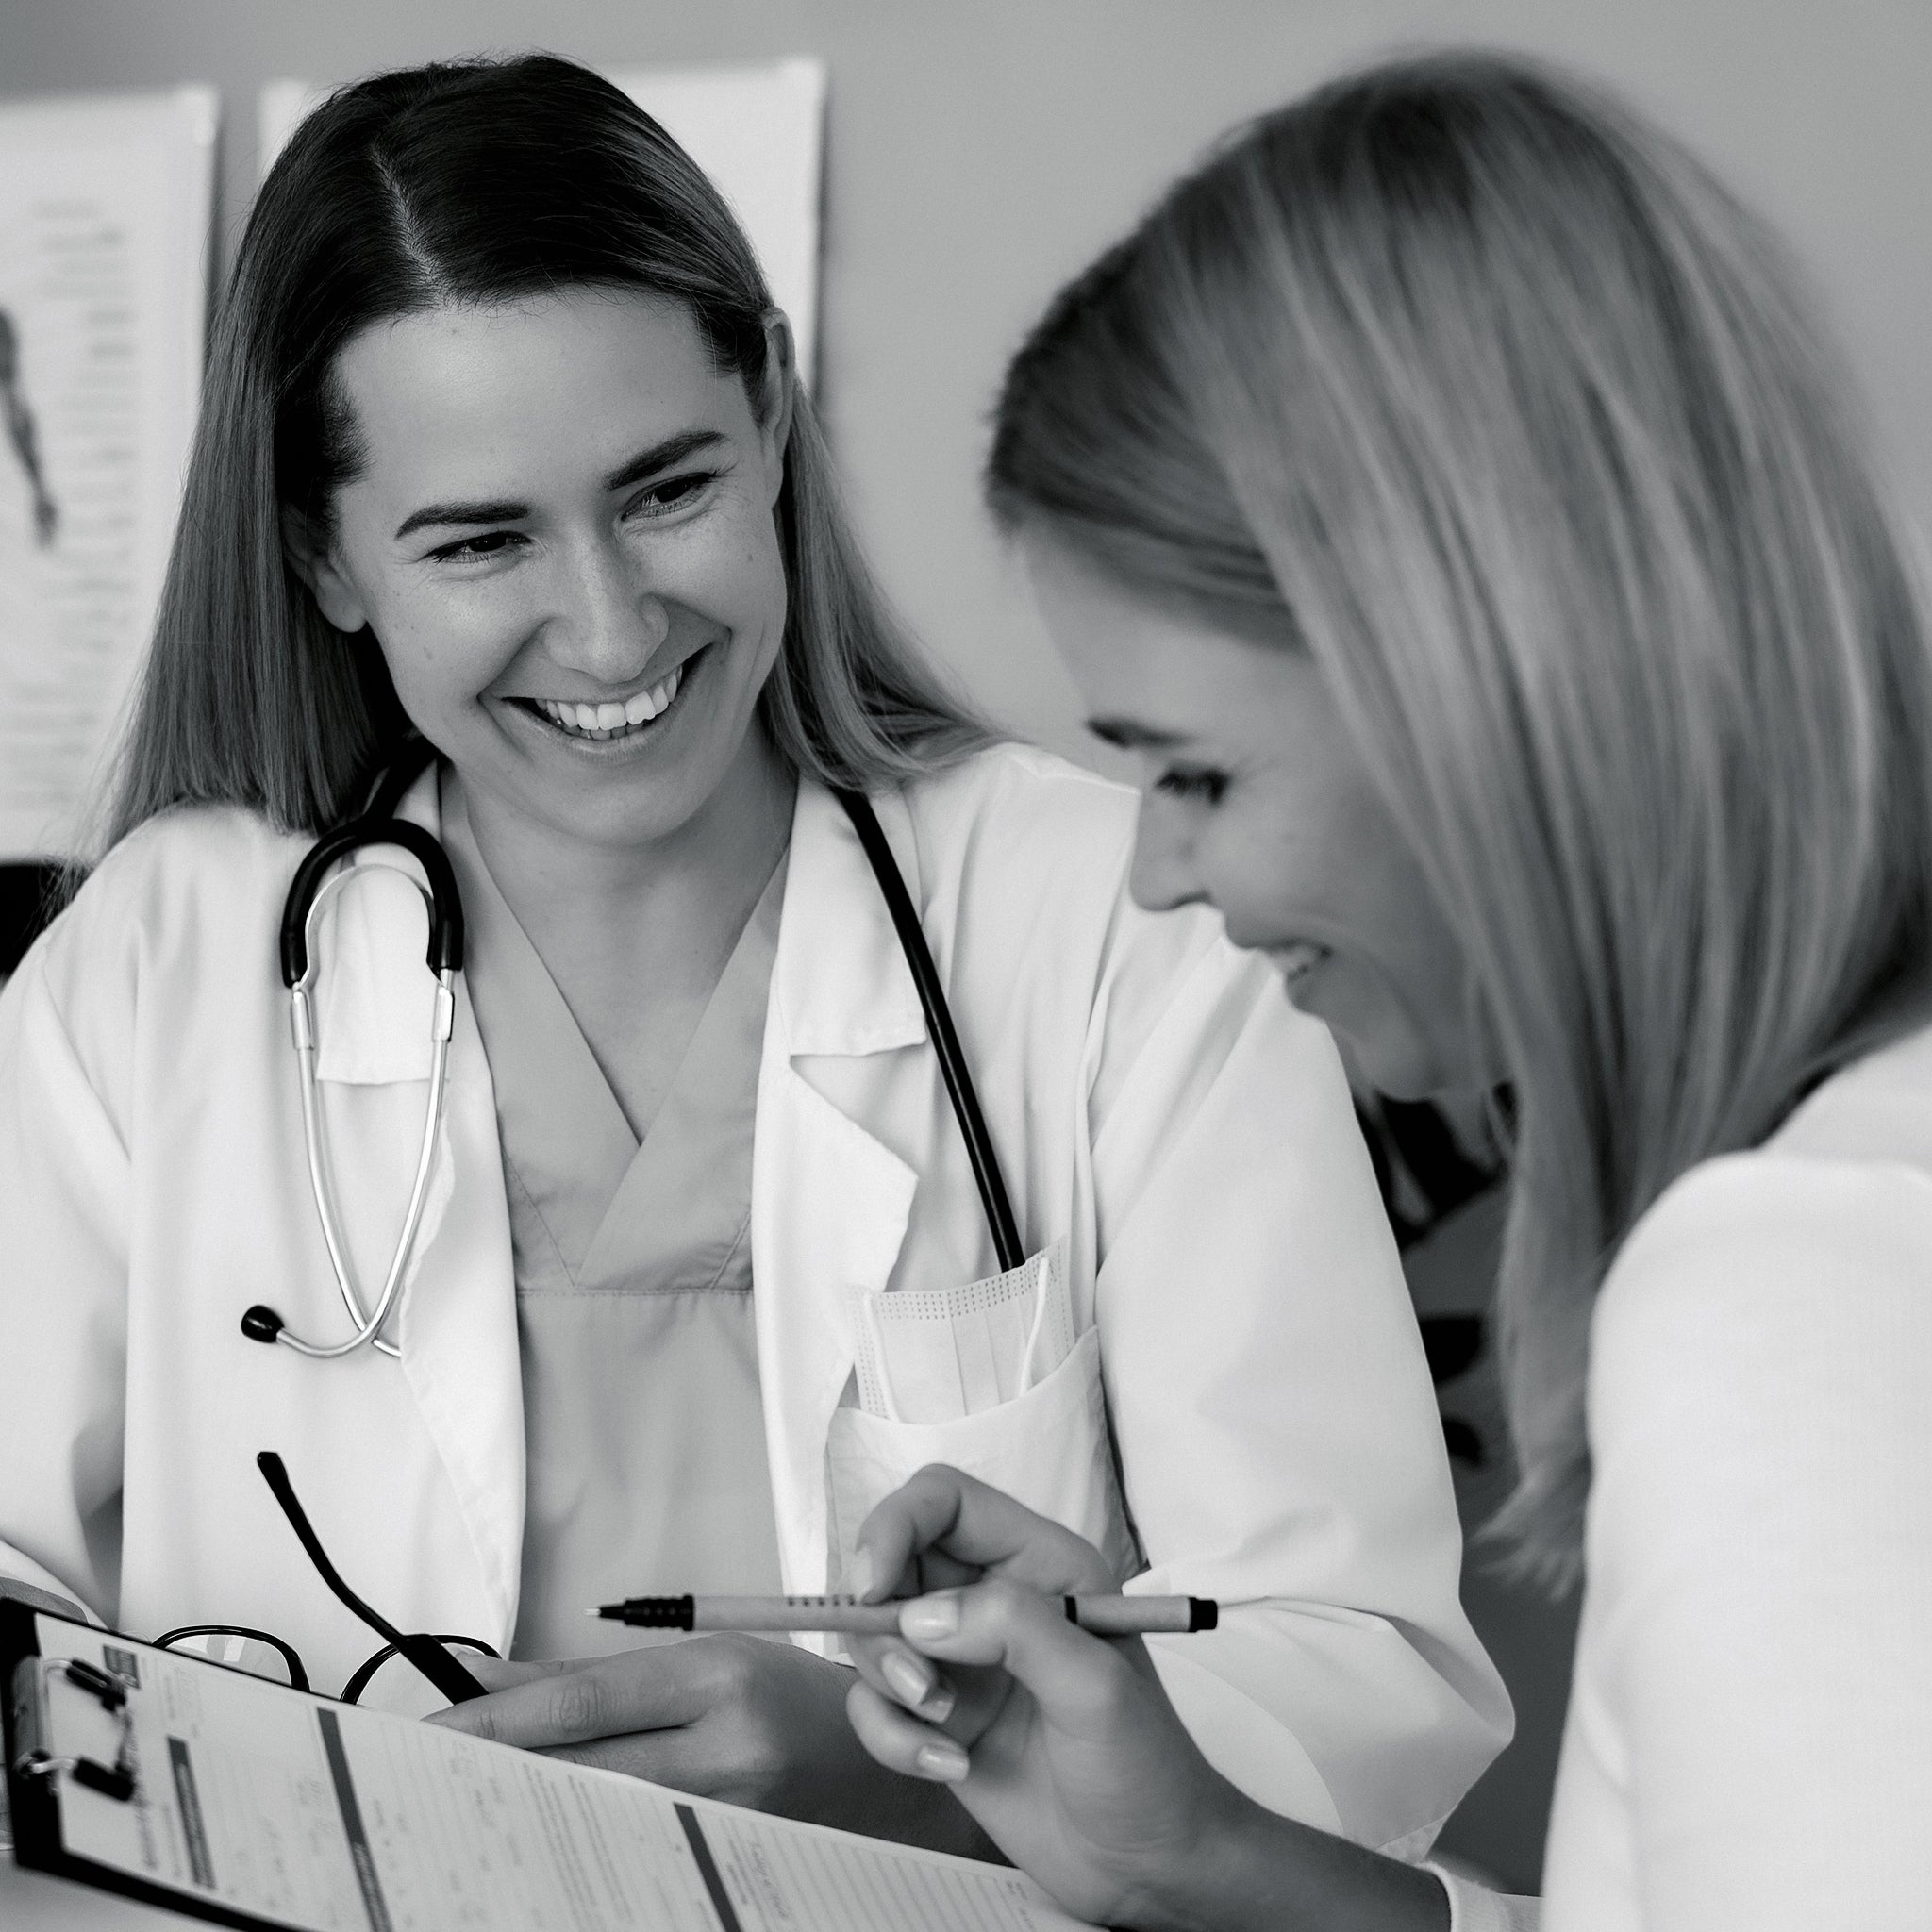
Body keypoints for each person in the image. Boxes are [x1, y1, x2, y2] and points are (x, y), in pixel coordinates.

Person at [0, 55, 1507, 1852]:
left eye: (665, 491)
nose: (609, 629)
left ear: (773, 419)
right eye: (481, 539)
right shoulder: (160, 966)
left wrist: (911, 1769)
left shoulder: (1121, 925)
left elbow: (1358, 1673)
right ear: (326, 558)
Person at [833, 51, 1932, 1927]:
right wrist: (1210, 1859)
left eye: (1194, 773)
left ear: (1476, 686)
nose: (1159, 874)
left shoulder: (1797, 1286)